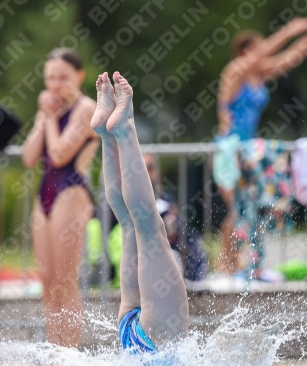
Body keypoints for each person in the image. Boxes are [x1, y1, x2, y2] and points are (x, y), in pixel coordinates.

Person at [215, 18, 307, 275]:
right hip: (229, 149)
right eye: (257, 48)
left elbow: (289, 59)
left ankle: (248, 265)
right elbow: (264, 54)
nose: (263, 53)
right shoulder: (234, 72)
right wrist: (290, 30)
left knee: (251, 208)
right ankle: (225, 265)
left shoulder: (259, 76)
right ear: (246, 51)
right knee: (237, 209)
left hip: (249, 151)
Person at [91, 71, 189, 348]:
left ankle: (123, 131)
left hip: (156, 339)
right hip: (130, 334)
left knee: (148, 228)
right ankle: (108, 137)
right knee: (129, 223)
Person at [23, 48, 99, 348]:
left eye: (62, 78)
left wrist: (52, 118)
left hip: (71, 193)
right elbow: (30, 157)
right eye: (50, 78)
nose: (55, 85)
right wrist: (44, 116)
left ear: (79, 77)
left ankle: (70, 358)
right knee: (48, 281)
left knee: (66, 282)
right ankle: (55, 355)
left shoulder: (86, 108)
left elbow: (59, 154)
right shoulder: (49, 111)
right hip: (45, 196)